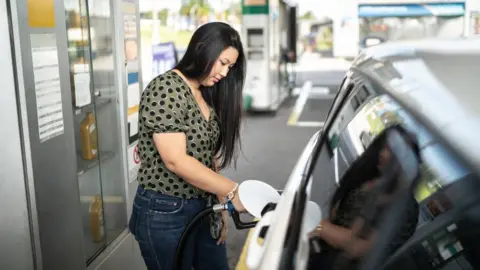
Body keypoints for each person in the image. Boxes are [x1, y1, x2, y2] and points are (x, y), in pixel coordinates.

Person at [128, 22, 247, 270]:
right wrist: (233, 191)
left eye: (231, 67)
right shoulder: (165, 88)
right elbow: (176, 160)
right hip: (165, 211)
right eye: (223, 63)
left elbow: (208, 156)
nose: (225, 73)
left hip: (204, 205)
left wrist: (221, 205)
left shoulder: (206, 93)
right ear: (203, 49)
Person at [308, 128, 420, 269]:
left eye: (396, 153)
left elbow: (357, 247)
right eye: (385, 148)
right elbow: (338, 217)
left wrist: (319, 227)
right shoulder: (371, 179)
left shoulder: (404, 208)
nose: (384, 154)